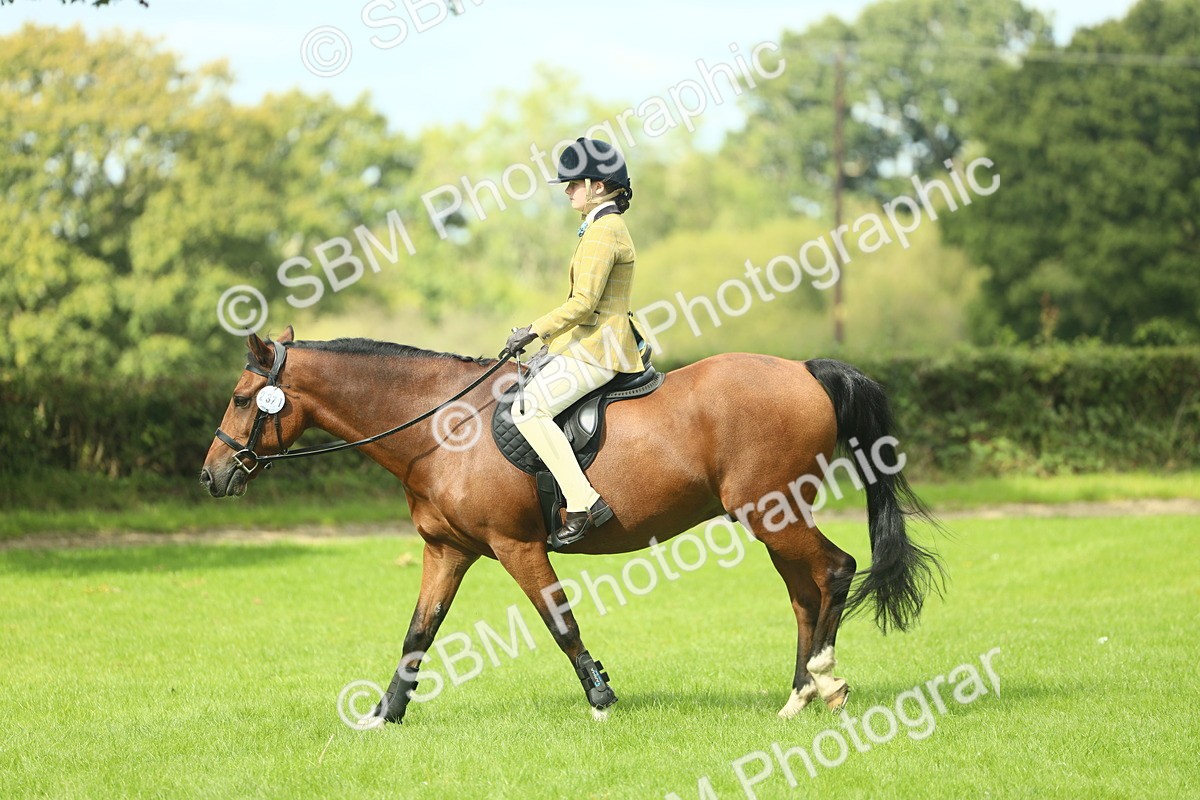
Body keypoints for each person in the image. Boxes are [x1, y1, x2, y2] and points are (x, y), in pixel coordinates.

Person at [504, 137, 644, 548]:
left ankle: (583, 503)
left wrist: (534, 330)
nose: (567, 191)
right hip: (588, 341)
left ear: (598, 185)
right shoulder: (602, 226)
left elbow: (584, 303)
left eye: (572, 183)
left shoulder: (605, 231)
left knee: (529, 411)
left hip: (601, 346)